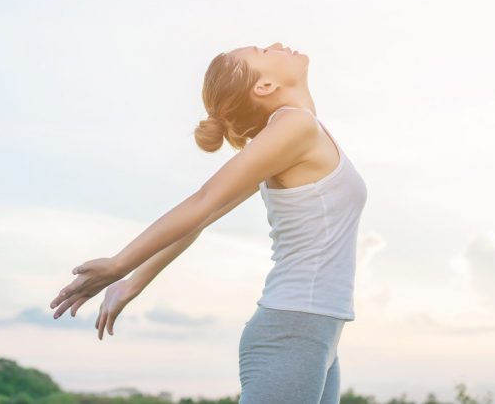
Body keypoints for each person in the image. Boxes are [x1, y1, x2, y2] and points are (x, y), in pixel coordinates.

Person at [49, 42, 368, 404]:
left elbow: (204, 218)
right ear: (263, 87)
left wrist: (132, 283)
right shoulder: (295, 126)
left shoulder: (293, 135)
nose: (277, 45)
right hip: (293, 330)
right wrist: (121, 264)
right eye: (263, 51)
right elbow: (205, 202)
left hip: (316, 332)